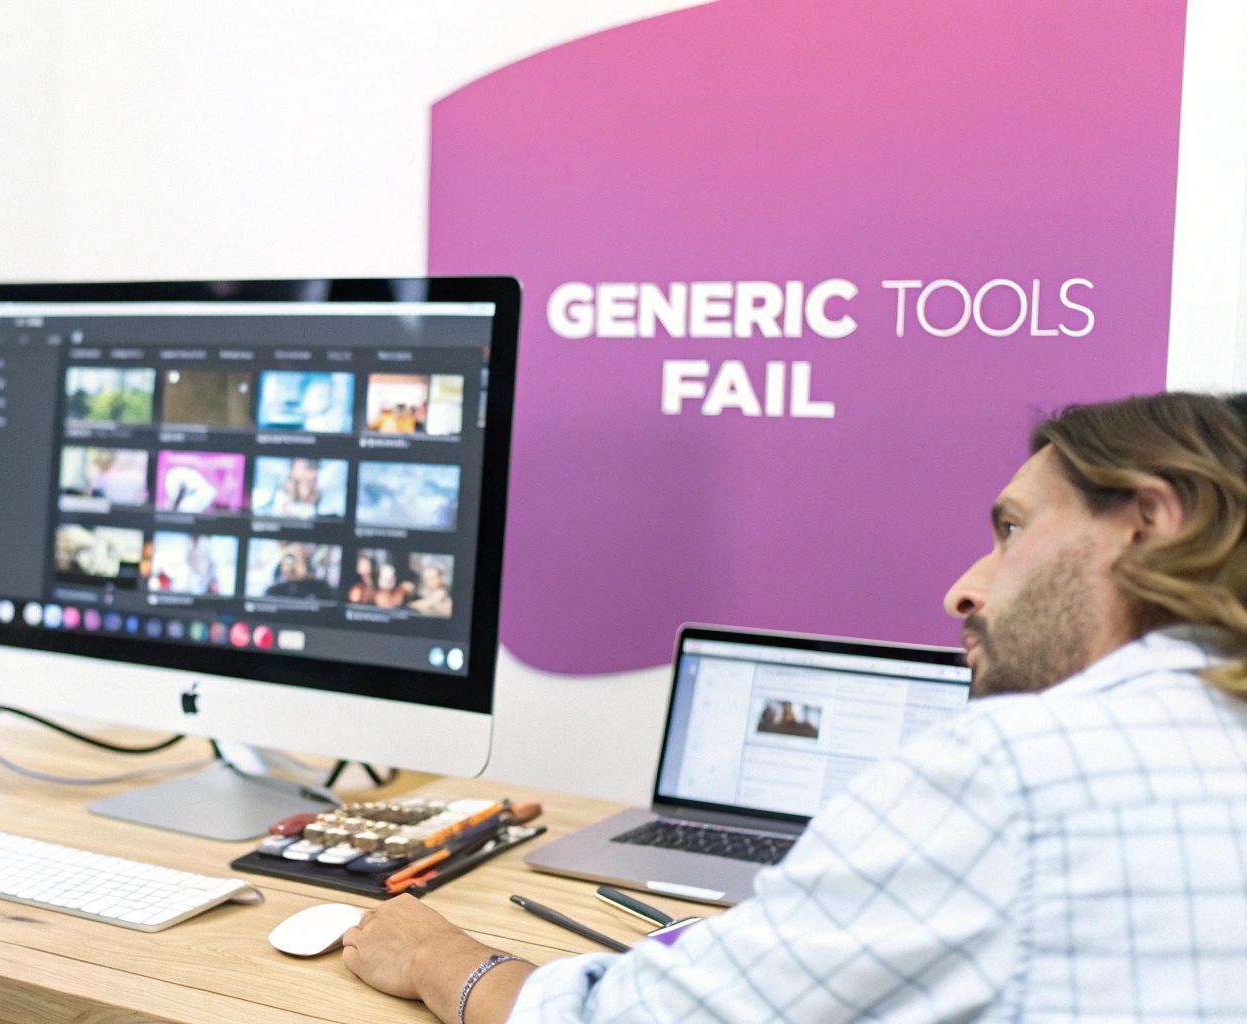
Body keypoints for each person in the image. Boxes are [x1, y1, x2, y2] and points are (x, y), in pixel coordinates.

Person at [343, 392, 1247, 1022]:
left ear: (1152, 521)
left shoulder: (1014, 771)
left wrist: (438, 957)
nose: (963, 591)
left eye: (1011, 529)